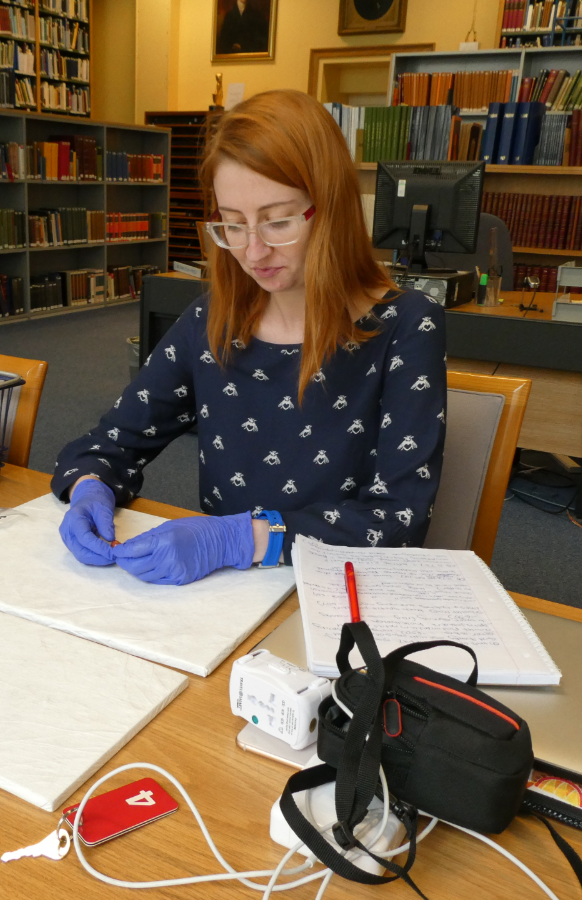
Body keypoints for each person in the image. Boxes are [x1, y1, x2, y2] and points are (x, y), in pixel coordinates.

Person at [51, 89, 446, 586]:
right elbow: (109, 443)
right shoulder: (212, 321)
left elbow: (398, 523)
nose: (254, 251)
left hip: (335, 593)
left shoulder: (406, 326)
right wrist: (90, 486)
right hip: (222, 594)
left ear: (329, 208)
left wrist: (240, 540)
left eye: (277, 221)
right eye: (232, 225)